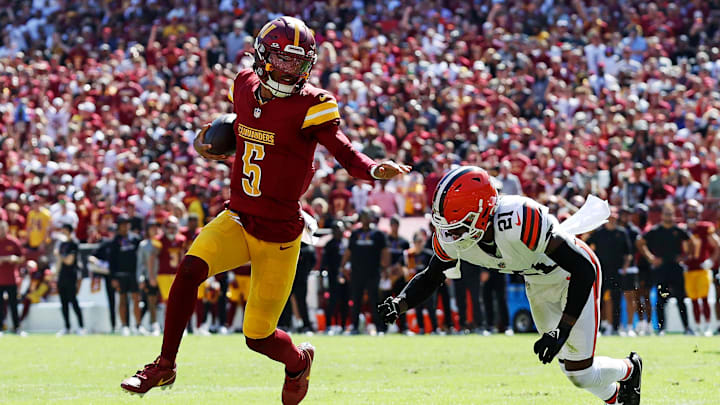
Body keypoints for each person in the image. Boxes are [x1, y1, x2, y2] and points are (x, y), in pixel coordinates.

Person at [121, 16, 409, 404]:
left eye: (299, 60)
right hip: (237, 217)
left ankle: (298, 362)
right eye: (283, 58)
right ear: (262, 55)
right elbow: (247, 127)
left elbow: (342, 149)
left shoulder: (313, 104)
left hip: (279, 234)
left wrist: (372, 168)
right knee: (189, 271)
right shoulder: (243, 84)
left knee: (257, 337)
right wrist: (219, 141)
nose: (292, 68)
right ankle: (165, 363)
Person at [379, 167, 642, 405]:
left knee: (578, 370)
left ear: (484, 211)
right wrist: (399, 303)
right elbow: (432, 275)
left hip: (572, 276)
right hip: (538, 282)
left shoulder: (519, 219)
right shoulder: (456, 237)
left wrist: (563, 329)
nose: (450, 234)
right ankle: (619, 398)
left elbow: (582, 269)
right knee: (571, 369)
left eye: (458, 226)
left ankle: (629, 369)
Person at [637, 203, 692, 335]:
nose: (668, 216)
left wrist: (685, 257)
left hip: (675, 268)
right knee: (661, 300)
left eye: (670, 213)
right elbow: (640, 242)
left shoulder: (678, 230)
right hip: (661, 269)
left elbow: (691, 242)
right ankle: (661, 329)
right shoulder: (655, 230)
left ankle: (686, 328)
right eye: (666, 213)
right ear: (662, 215)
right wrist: (650, 258)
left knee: (680, 299)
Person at [342, 208, 390, 335]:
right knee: (356, 300)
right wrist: (342, 266)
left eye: (367, 217)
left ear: (371, 218)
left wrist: (385, 268)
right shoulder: (355, 233)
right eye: (362, 217)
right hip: (357, 272)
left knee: (375, 300)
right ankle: (355, 327)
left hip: (373, 272)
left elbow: (385, 252)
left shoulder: (378, 234)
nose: (365, 219)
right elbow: (349, 251)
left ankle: (379, 327)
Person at [586, 208, 632, 336]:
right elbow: (586, 244)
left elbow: (628, 254)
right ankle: (598, 328)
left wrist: (624, 268)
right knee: (598, 300)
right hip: (601, 271)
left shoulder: (622, 233)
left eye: (614, 216)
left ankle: (616, 328)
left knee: (617, 300)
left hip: (616, 272)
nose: (613, 219)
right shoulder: (599, 233)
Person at [680, 200, 719, 336]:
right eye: (689, 212)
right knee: (694, 299)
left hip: (702, 269)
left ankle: (707, 325)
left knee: (704, 298)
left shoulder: (704, 227)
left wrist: (711, 260)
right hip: (688, 269)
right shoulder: (682, 229)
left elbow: (717, 245)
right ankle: (696, 326)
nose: (691, 214)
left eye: (693, 211)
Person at [109, 215, 142, 336]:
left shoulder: (136, 239)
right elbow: (111, 261)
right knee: (122, 300)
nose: (125, 226)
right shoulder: (115, 241)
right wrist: (113, 277)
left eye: (127, 224)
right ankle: (124, 325)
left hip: (134, 274)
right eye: (122, 224)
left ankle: (138, 325)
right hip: (120, 274)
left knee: (136, 299)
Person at [54, 224, 85, 335]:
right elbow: (59, 263)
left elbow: (69, 261)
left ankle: (81, 326)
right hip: (62, 277)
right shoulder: (62, 244)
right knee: (63, 303)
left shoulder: (74, 244)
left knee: (73, 301)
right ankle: (67, 327)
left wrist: (59, 255)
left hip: (71, 276)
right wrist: (55, 275)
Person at [321, 220, 349, 334]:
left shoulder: (347, 243)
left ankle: (343, 325)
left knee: (345, 302)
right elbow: (324, 262)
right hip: (333, 277)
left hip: (346, 277)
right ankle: (329, 325)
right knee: (332, 302)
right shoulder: (329, 245)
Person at [137, 220, 161, 336]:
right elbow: (140, 263)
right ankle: (153, 324)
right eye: (152, 227)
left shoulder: (162, 243)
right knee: (150, 301)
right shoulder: (144, 245)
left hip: (162, 276)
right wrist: (141, 278)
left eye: (156, 227)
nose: (154, 230)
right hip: (149, 277)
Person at [0, 220, 24, 335]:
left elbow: (22, 258)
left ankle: (17, 327)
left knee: (14, 304)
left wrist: (15, 259)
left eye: (3, 229)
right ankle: (0, 328)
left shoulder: (13, 242)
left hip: (11, 279)